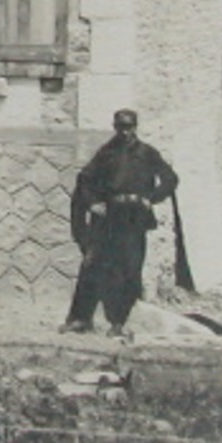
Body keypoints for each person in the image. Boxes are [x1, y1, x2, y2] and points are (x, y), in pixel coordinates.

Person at [62, 109, 179, 338]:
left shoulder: (147, 153)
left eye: (129, 127)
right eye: (121, 127)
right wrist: (93, 202)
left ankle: (120, 322)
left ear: (136, 127)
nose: (125, 132)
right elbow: (85, 180)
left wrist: (152, 198)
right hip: (109, 218)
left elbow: (170, 179)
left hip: (134, 218)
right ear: (115, 127)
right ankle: (81, 319)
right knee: (92, 265)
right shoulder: (106, 153)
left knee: (130, 269)